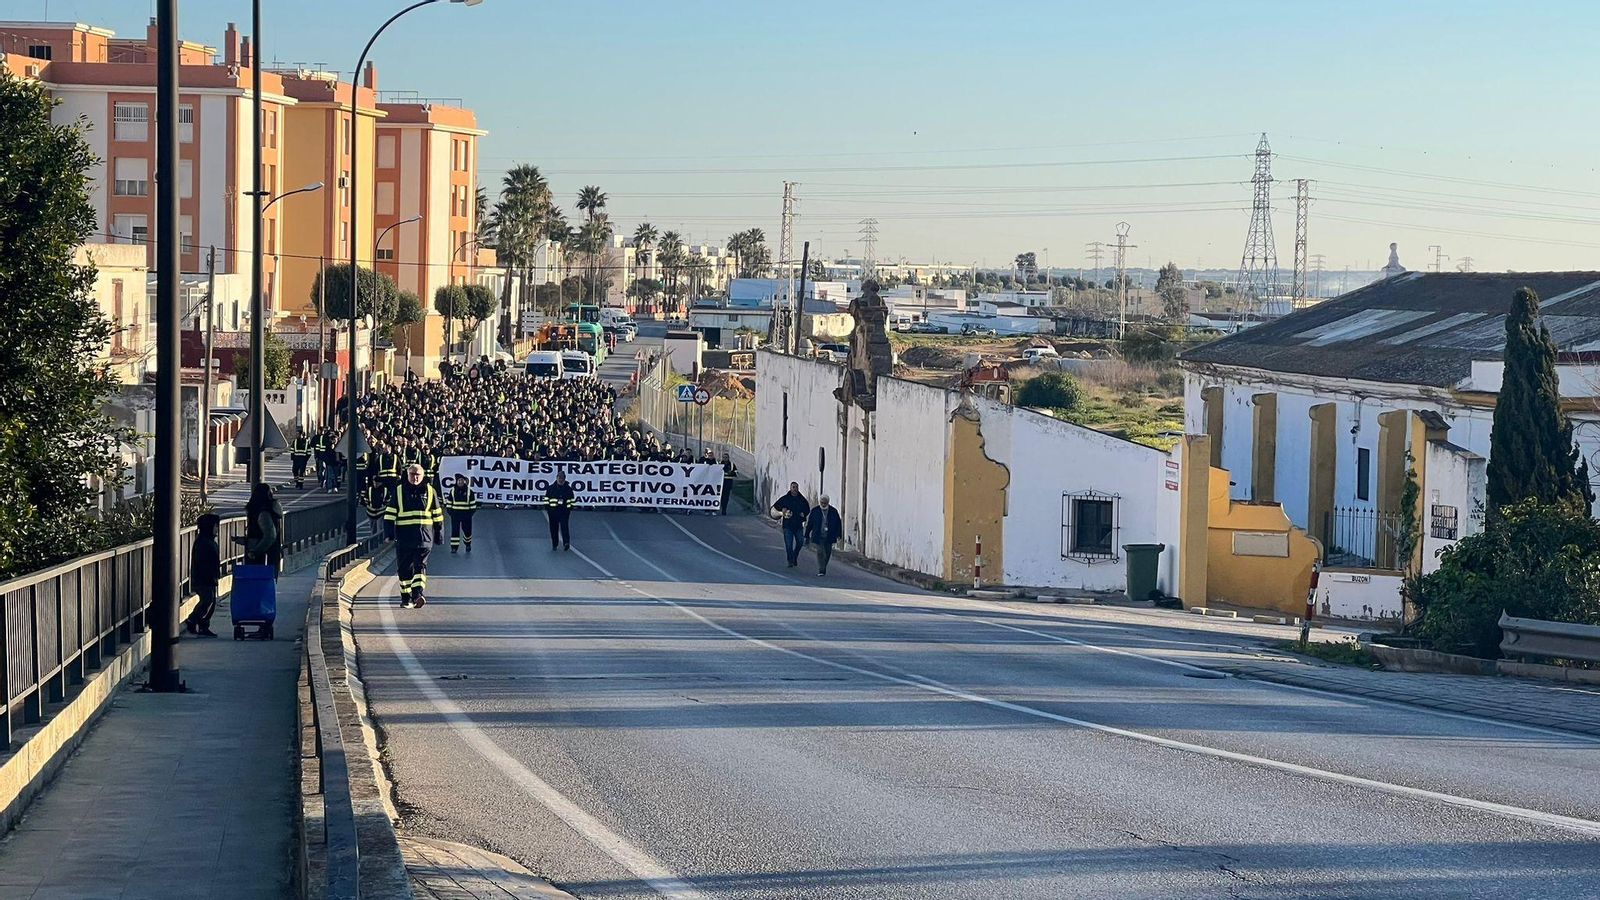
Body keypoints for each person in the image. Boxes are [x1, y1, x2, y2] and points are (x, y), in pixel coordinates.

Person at [385, 464, 443, 609]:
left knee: (420, 566)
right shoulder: (399, 491)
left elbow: (437, 514)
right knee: (404, 569)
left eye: (418, 475)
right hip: (404, 537)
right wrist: (389, 534)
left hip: (424, 537)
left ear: (422, 476)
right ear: (407, 474)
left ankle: (417, 595)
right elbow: (390, 514)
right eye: (412, 474)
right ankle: (406, 598)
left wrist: (439, 534)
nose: (415, 477)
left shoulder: (430, 491)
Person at [185, 513, 221, 636]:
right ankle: (193, 619)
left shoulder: (206, 541)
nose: (217, 529)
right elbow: (204, 562)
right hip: (204, 578)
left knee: (210, 601)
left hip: (207, 577)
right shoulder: (204, 543)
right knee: (207, 600)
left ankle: (202, 625)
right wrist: (211, 575)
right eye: (215, 526)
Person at [237, 483, 284, 570]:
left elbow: (269, 536)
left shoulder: (263, 513)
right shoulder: (271, 511)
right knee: (269, 581)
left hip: (260, 555)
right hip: (272, 553)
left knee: (257, 580)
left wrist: (255, 551)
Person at [771, 482, 810, 568]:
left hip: (798, 525)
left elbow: (807, 508)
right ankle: (790, 560)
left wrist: (804, 513)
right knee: (789, 544)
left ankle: (794, 556)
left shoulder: (801, 499)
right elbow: (775, 508)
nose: (795, 489)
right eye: (793, 487)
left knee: (800, 542)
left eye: (796, 487)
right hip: (787, 526)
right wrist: (782, 511)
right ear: (790, 488)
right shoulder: (785, 499)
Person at [805, 494, 843, 576]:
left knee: (828, 553)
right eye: (822, 502)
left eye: (825, 503)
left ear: (828, 502)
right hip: (819, 535)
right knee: (820, 552)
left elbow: (838, 524)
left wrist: (839, 534)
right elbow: (810, 523)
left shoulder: (833, 511)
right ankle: (821, 570)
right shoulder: (815, 511)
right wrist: (807, 534)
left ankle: (823, 566)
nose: (823, 504)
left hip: (829, 535)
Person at [445, 475, 479, 554]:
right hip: (455, 515)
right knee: (455, 531)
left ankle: (468, 544)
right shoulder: (452, 491)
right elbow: (449, 504)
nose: (460, 482)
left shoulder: (469, 492)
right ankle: (454, 547)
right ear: (456, 482)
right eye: (458, 480)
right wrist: (451, 513)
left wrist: (469, 514)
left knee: (467, 531)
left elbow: (473, 506)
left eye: (461, 480)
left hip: (466, 515)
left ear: (464, 481)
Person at [544, 469, 576, 551]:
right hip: (553, 512)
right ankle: (555, 544)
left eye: (562, 478)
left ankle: (566, 543)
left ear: (564, 479)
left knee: (564, 527)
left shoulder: (568, 489)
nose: (561, 480)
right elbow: (546, 500)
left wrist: (569, 509)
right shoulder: (551, 488)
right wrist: (548, 509)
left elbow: (572, 500)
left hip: (564, 512)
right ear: (557, 478)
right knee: (553, 529)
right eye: (559, 478)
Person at [719, 451, 738, 516]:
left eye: (726, 457)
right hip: (720, 482)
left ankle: (724, 509)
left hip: (728, 482)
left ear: (728, 458)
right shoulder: (719, 464)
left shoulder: (732, 464)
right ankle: (721, 506)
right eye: (724, 457)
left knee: (726, 497)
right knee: (720, 496)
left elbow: (736, 473)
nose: (725, 458)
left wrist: (731, 473)